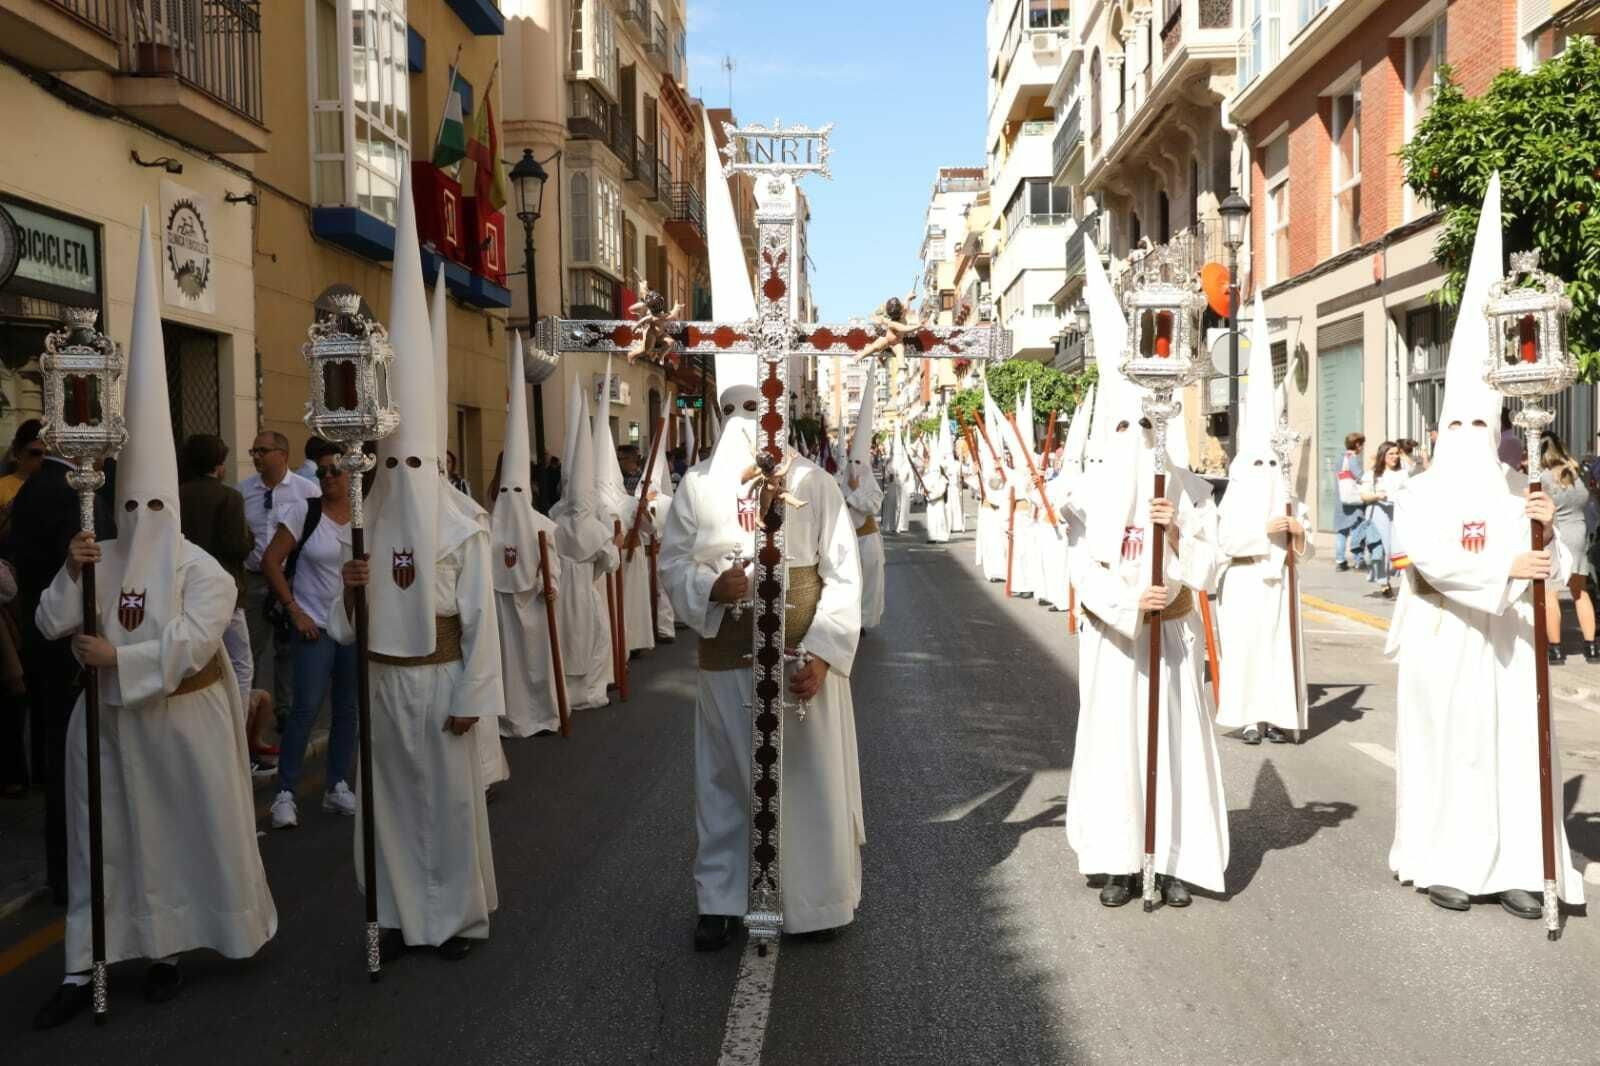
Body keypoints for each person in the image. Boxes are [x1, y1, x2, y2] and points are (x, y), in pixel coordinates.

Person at [32, 216, 275, 1027]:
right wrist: (72, 570)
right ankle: (82, 962)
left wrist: (119, 659)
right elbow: (46, 623)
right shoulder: (96, 547)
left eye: (152, 502)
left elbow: (193, 640)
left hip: (171, 722)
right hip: (101, 728)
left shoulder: (204, 570)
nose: (139, 513)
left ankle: (165, 949)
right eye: (129, 502)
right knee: (99, 845)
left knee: (163, 844)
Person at [1387, 176, 1584, 920]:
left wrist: (1546, 544)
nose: (1471, 438)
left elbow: (1554, 567)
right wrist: (1505, 565)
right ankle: (1446, 862)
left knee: (1510, 752)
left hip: (1509, 641)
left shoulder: (1518, 480)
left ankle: (1515, 867)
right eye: (1459, 426)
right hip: (1448, 640)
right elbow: (1430, 558)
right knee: (1454, 752)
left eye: (1482, 424)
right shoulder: (1422, 488)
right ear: (1442, 428)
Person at [330, 179, 501, 960]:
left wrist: (473, 694)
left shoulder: (462, 527)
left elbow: (479, 621)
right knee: (390, 807)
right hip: (381, 680)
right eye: (395, 458)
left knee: (448, 804)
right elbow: (342, 625)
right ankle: (395, 915)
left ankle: (457, 917)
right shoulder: (370, 520)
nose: (406, 468)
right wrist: (351, 591)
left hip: (439, 681)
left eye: (419, 458)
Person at [659, 378, 865, 951]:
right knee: (724, 779)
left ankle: (814, 900)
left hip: (802, 660)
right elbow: (672, 561)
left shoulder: (815, 483)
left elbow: (843, 575)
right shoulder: (698, 486)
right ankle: (720, 901)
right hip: (728, 654)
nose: (743, 422)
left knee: (807, 780)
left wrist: (823, 655)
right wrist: (709, 588)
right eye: (733, 410)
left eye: (755, 409)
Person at [1063, 241, 1226, 909]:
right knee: (1115, 747)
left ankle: (1174, 855)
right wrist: (1134, 601)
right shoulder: (1090, 489)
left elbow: (1216, 555)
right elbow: (1082, 563)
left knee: (1174, 745)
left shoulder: (1187, 486)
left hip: (1173, 645)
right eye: (1124, 422)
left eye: (1145, 422)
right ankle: (1118, 859)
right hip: (1116, 643)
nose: (1136, 434)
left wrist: (1181, 568)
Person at [1216, 295, 1311, 745]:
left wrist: (1297, 533)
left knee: (1278, 653)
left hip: (1281, 582)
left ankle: (1276, 715)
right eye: (1259, 464)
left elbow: (1304, 538)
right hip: (1246, 581)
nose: (1266, 472)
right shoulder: (1236, 492)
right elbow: (1227, 540)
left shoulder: (1285, 489)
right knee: (1248, 652)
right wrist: (1264, 533)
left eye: (1271, 464)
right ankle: (1249, 717)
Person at [260, 442, 358, 826]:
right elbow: (271, 561)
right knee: (305, 707)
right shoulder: (306, 511)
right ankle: (285, 792)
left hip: (351, 627)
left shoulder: (366, 515)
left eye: (335, 470)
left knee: (347, 710)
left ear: (352, 474)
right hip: (314, 626)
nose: (328, 477)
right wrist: (294, 610)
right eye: (322, 472)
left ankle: (337, 785)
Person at [177, 434, 270, 762]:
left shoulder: (178, 494)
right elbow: (236, 545)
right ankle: (236, 731)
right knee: (241, 663)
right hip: (225, 592)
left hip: (185, 592)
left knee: (196, 661)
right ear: (218, 463)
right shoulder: (229, 497)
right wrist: (251, 537)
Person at [493, 335, 563, 737]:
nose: (511, 497)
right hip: (503, 611)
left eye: (517, 490)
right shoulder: (488, 525)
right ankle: (509, 718)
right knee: (507, 667)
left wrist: (549, 584)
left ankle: (541, 715)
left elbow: (553, 566)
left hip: (534, 607)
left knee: (535, 665)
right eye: (506, 491)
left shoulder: (543, 527)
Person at [240, 430, 319, 733]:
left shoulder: (306, 491)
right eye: (254, 451)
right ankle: (250, 708)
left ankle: (285, 709)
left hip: (290, 579)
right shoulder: (243, 491)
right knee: (251, 647)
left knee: (287, 648)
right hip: (253, 581)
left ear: (282, 455)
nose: (257, 456)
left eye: (263, 450)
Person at [551, 379, 621, 710]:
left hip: (560, 591)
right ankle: (590, 693)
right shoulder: (593, 526)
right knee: (596, 639)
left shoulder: (553, 517)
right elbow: (610, 562)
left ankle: (565, 694)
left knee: (564, 640)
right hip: (585, 591)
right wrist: (614, 544)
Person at [1540, 432, 1598, 664]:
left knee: (1550, 590)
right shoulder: (1575, 473)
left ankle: (1555, 648)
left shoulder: (1544, 477)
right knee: (1579, 591)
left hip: (1557, 534)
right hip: (1579, 531)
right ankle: (1591, 647)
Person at [839, 385, 885, 629]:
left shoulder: (870, 484)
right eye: (852, 461)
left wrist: (856, 490)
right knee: (848, 583)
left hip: (867, 539)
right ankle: (850, 621)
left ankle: (864, 622)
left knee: (868, 583)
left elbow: (872, 507)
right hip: (846, 542)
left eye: (860, 461)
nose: (855, 466)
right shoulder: (839, 479)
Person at [1360, 441, 1409, 598]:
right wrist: (1377, 495)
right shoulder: (1372, 474)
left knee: (1399, 548)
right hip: (1378, 513)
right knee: (1381, 550)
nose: (1394, 457)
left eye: (1396, 453)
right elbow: (1363, 495)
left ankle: (1404, 580)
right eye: (1391, 454)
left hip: (1398, 513)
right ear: (1383, 456)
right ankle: (1383, 582)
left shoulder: (1403, 472)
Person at [0, 418, 46, 517]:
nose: (43, 458)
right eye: (35, 453)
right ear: (18, 452)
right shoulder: (2, 487)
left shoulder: (56, 485)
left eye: (48, 453)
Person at [1333, 432, 1365, 572]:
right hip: (1352, 500)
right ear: (1357, 444)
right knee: (1357, 529)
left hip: (1340, 499)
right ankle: (1359, 561)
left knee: (1341, 532)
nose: (1363, 447)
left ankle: (1340, 561)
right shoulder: (1352, 458)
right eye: (1362, 444)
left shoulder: (1339, 458)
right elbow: (1359, 476)